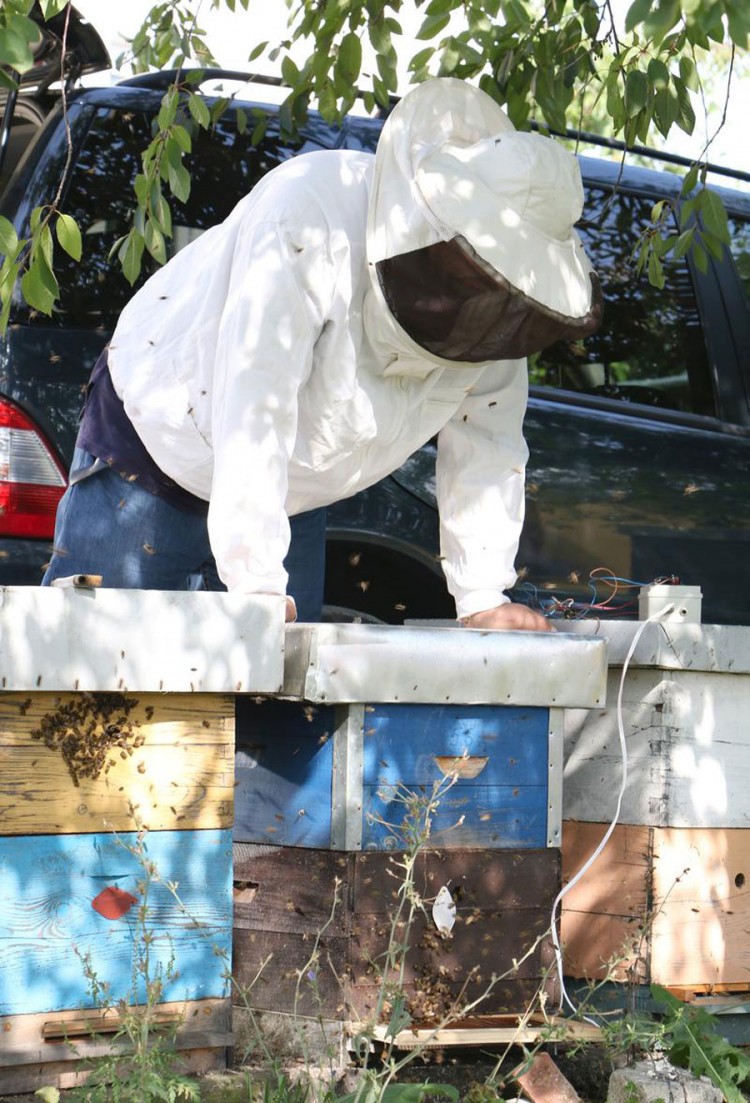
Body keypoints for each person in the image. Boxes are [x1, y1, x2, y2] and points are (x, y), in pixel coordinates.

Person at [42, 77, 602, 627]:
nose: (474, 291)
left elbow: (488, 434)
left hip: (291, 494)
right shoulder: (312, 212)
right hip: (158, 442)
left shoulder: (503, 303)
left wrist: (483, 593)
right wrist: (258, 579)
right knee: (88, 665)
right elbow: (256, 391)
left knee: (278, 682)